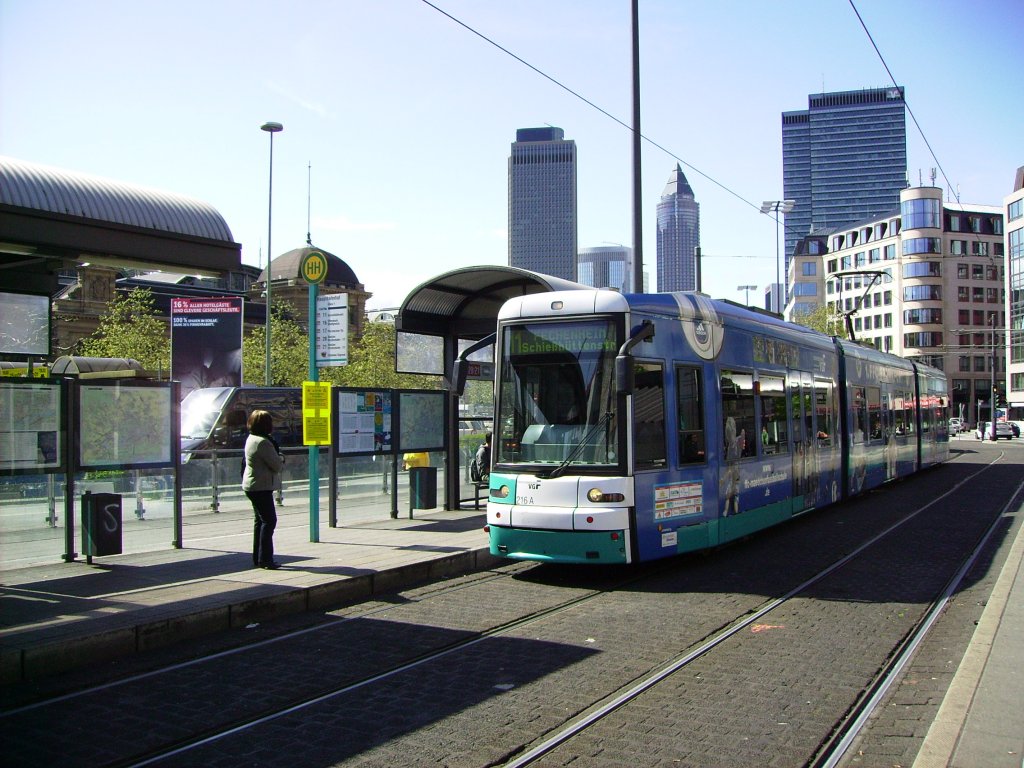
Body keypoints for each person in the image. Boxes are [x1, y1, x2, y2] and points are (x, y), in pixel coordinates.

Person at [242, 409, 285, 569]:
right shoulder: (263, 442)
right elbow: (277, 465)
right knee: (269, 521)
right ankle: (265, 559)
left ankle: (258, 557)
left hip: (252, 485)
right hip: (261, 486)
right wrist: (281, 457)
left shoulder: (251, 438)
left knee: (260, 521)